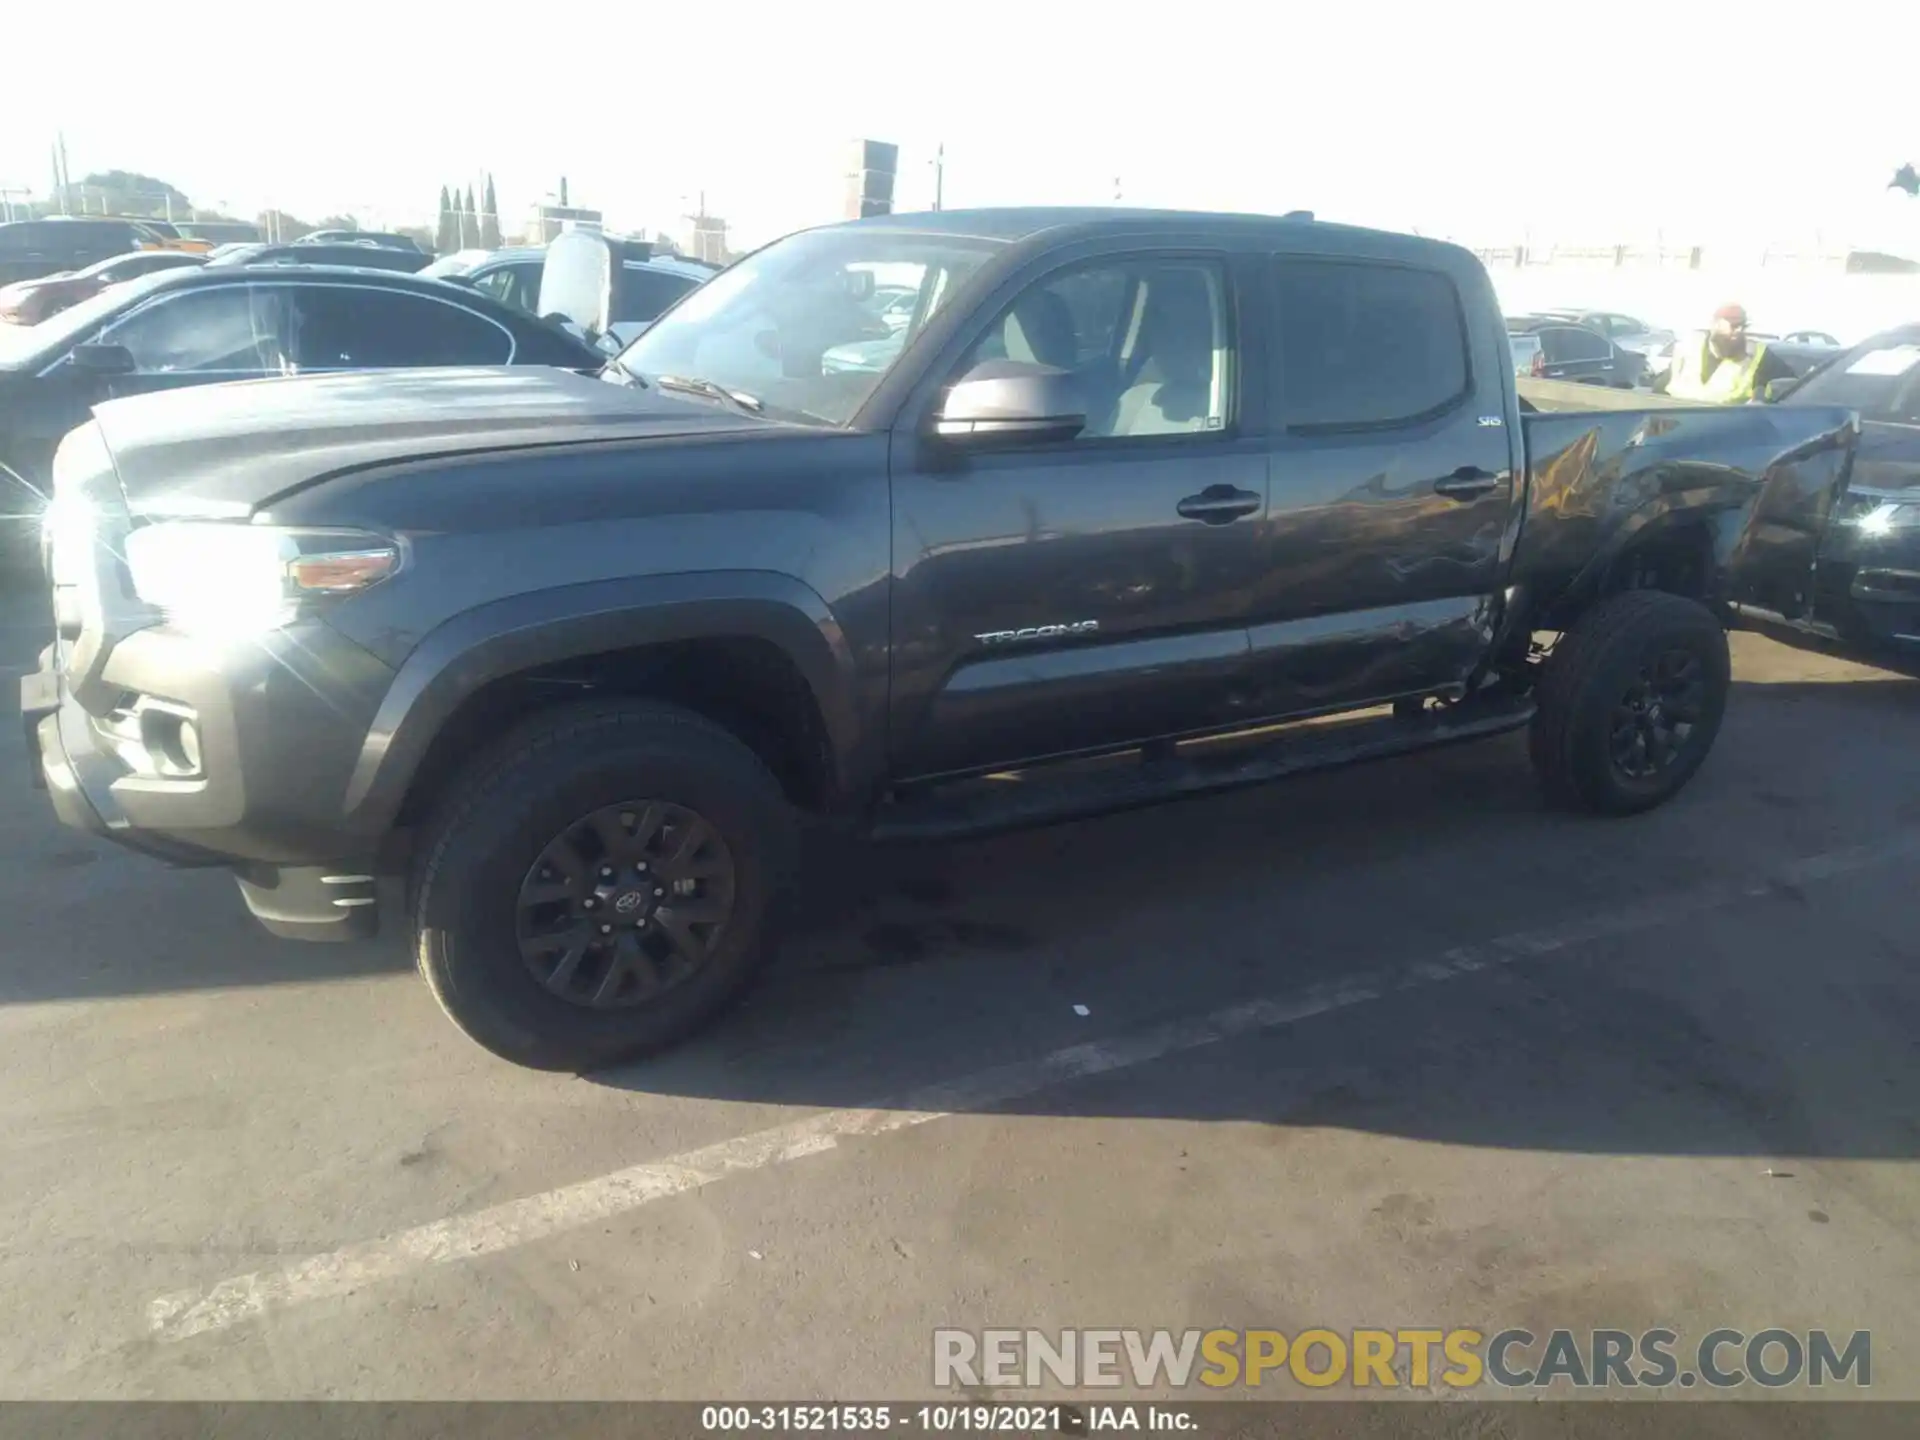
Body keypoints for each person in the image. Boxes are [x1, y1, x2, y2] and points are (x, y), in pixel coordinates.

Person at [1657, 303, 1796, 403]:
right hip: (1681, 431)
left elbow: (1792, 387)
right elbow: (1659, 390)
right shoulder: (1687, 349)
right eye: (1733, 325)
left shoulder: (1758, 355)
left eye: (1743, 326)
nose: (1739, 331)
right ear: (1715, 324)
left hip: (1729, 434)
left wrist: (1762, 401)